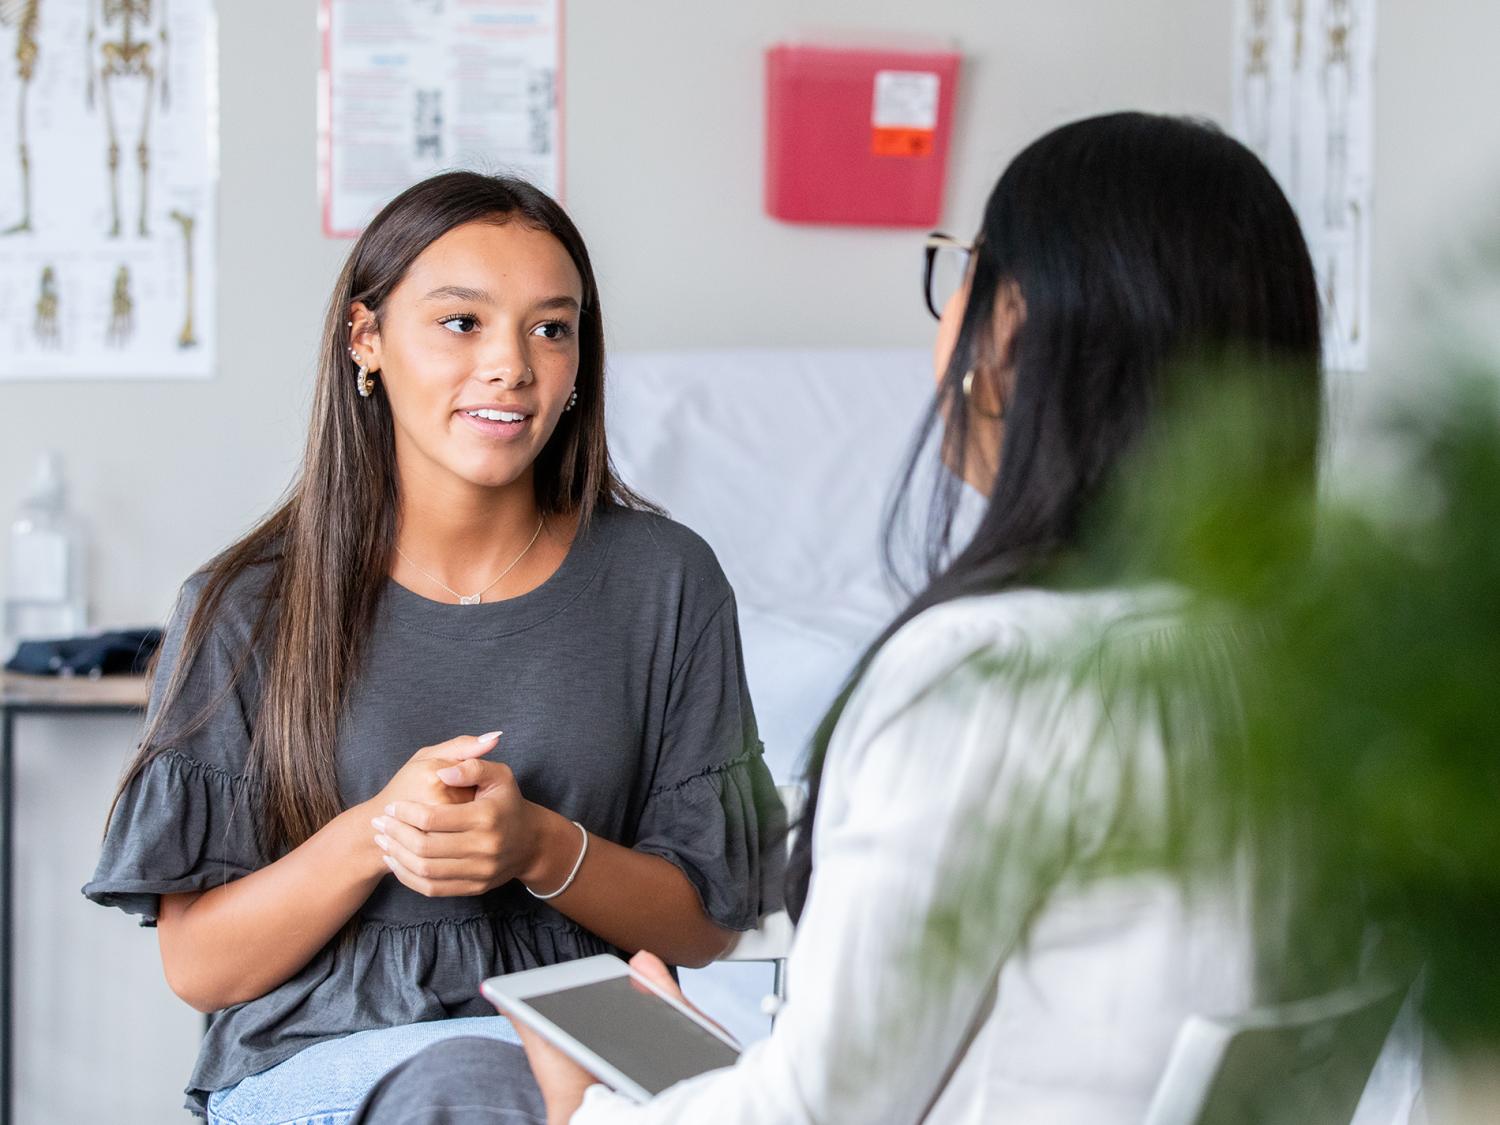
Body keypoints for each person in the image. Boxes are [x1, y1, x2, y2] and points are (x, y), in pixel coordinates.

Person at [351, 112, 1327, 1123]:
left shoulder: (984, 677)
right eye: (462, 322)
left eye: (965, 275)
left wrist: (591, 1105)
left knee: (463, 1091)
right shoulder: (1312, 669)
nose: (511, 366)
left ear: (1014, 331)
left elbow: (826, 1109)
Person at [82, 172, 784, 1123]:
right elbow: (200, 967)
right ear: (366, 340)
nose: (512, 365)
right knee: (477, 1088)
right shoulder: (244, 605)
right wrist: (381, 830)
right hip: (328, 1053)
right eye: (462, 323)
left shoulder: (666, 580)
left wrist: (540, 844)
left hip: (592, 1038)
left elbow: (704, 924)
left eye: (552, 327)